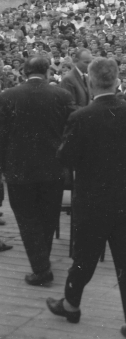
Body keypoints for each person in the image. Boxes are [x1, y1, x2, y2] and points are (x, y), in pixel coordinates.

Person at [46, 57, 126, 339]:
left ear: (90, 83)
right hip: (125, 198)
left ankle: (71, 304)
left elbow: (65, 158)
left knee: (84, 258)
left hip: (91, 201)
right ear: (117, 82)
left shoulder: (81, 117)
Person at [0, 56, 73, 283]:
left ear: (24, 72)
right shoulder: (61, 95)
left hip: (18, 168)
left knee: (26, 218)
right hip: (53, 167)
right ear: (48, 72)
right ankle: (42, 263)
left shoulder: (8, 96)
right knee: (48, 217)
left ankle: (41, 268)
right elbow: (71, 131)